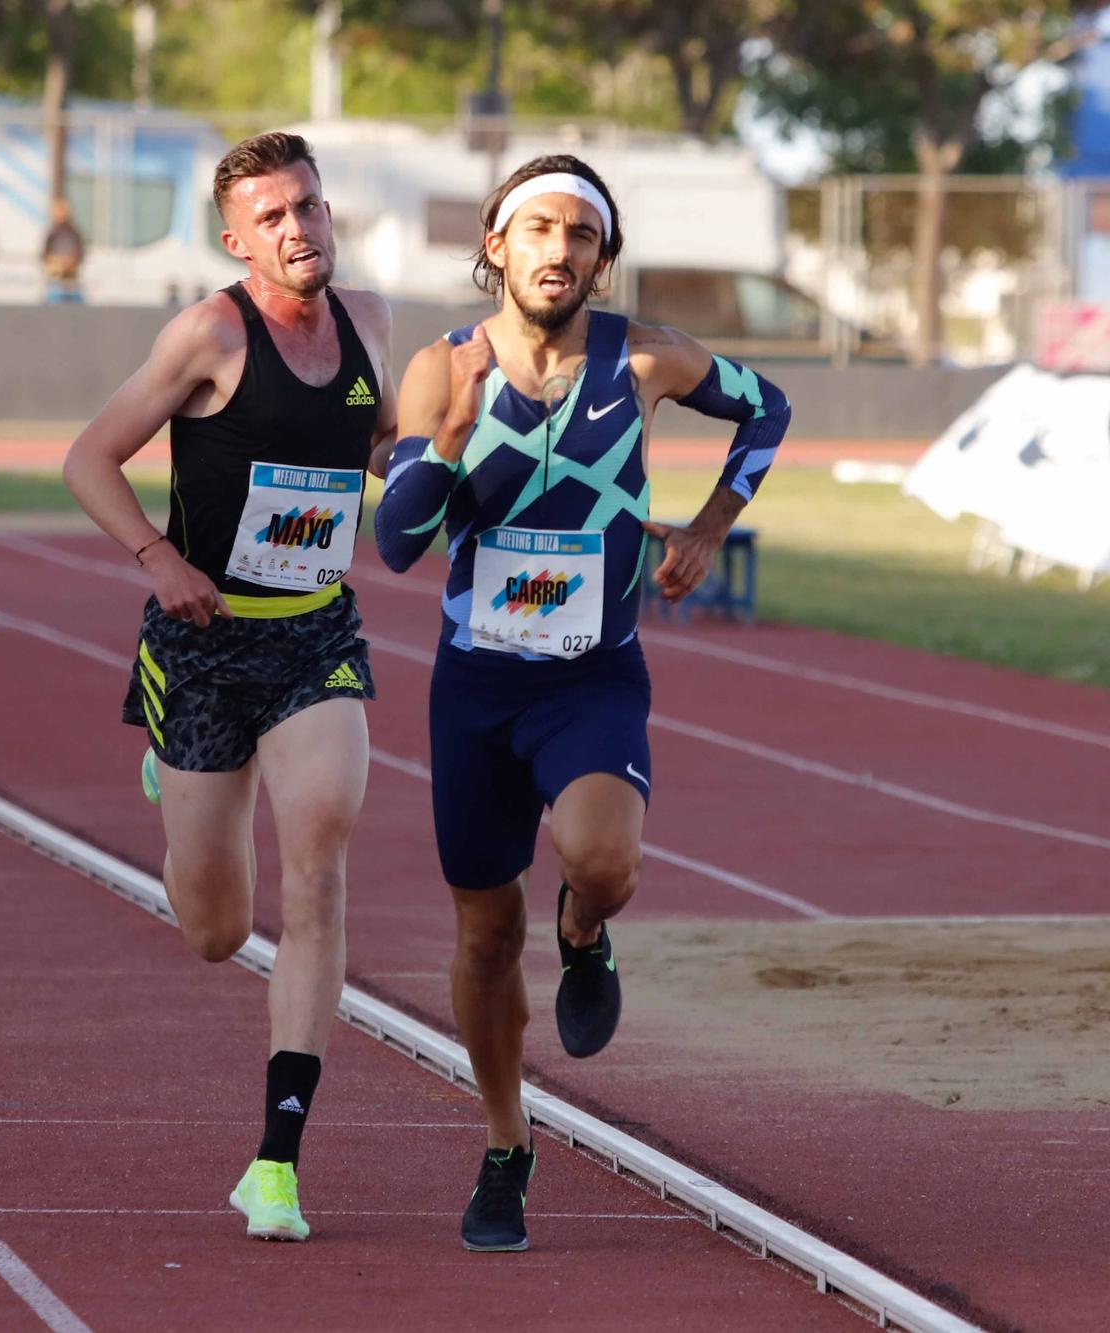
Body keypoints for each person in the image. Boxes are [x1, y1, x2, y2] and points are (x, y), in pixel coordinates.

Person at [373, 154, 792, 1253]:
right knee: (480, 931)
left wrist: (707, 525)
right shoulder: (439, 368)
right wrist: (448, 442)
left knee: (603, 862)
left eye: (582, 236)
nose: (560, 251)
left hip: (589, 673)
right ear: (497, 245)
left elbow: (767, 409)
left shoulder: (642, 357)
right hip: (475, 688)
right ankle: (506, 1144)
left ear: (601, 258)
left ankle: (583, 927)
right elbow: (396, 544)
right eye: (540, 230)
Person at [63, 131, 396, 1243]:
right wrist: (160, 561)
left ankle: (275, 1161)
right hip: (202, 647)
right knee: (214, 928)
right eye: (273, 217)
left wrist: (430, 480)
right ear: (235, 240)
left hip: (314, 638)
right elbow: (88, 458)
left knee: (319, 865)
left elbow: (386, 452)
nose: (298, 229)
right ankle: (173, 768)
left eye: (308, 206)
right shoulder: (207, 334)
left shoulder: (371, 325)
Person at [42, 198, 85, 304]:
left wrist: (71, 261)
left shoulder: (74, 233)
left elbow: (80, 253)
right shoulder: (53, 233)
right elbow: (44, 254)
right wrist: (55, 262)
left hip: (72, 281)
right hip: (55, 280)